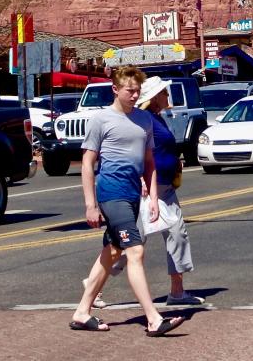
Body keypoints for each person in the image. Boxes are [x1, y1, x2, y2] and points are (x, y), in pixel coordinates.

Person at [70, 66, 185, 336]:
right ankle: (154, 319)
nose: (134, 96)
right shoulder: (101, 120)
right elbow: (87, 163)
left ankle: (82, 312)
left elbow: (149, 163)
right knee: (135, 251)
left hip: (134, 194)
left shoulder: (144, 120)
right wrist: (90, 204)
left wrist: (154, 198)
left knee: (112, 252)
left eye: (137, 91)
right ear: (115, 89)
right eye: (129, 91)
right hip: (111, 193)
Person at [85, 76, 204, 308]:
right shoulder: (141, 119)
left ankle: (177, 291)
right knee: (127, 245)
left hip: (165, 189)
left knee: (174, 236)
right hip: (146, 191)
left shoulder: (154, 119)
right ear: (154, 96)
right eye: (164, 93)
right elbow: (137, 154)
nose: (167, 97)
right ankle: (94, 288)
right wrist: (142, 181)